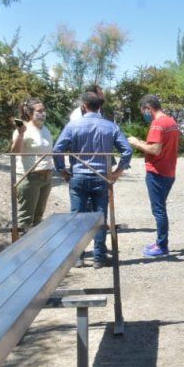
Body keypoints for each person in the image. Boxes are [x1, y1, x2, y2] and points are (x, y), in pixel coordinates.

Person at [53, 90, 133, 268]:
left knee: (77, 217)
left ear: (83, 106)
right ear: (100, 107)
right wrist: (118, 171)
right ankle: (99, 257)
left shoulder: (73, 126)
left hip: (79, 176)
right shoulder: (110, 126)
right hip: (101, 177)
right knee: (99, 217)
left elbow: (57, 149)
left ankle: (78, 257)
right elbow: (127, 151)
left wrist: (62, 170)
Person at [127, 95, 181, 257]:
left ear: (148, 108)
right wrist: (144, 143)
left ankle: (162, 245)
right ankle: (160, 242)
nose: (144, 114)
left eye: (143, 111)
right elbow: (158, 146)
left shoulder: (157, 124)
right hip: (169, 171)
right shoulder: (171, 122)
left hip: (157, 172)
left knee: (158, 210)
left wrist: (135, 142)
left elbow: (155, 150)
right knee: (160, 208)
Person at [10, 98, 54, 229]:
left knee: (38, 218)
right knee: (26, 219)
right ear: (29, 113)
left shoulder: (45, 129)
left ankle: (37, 248)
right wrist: (21, 134)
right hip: (29, 177)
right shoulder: (24, 130)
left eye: (44, 110)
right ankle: (20, 248)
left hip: (47, 177)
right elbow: (15, 152)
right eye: (39, 111)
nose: (43, 113)